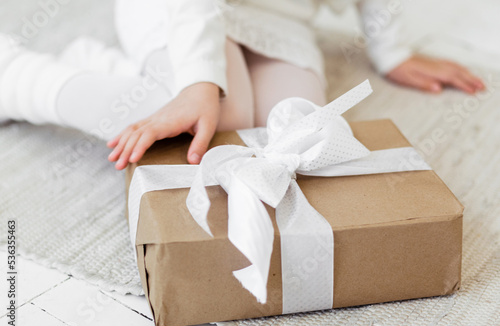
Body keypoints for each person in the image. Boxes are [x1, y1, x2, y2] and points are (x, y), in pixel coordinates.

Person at [0, 0, 484, 171]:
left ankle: (103, 66)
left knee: (294, 135)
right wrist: (198, 83)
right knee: (208, 126)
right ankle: (19, 75)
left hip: (279, 21)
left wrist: (391, 50)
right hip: (182, 10)